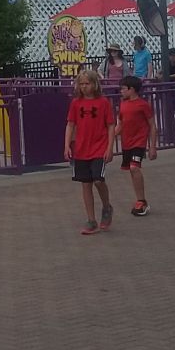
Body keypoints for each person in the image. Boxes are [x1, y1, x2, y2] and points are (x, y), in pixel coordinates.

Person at [64, 68, 114, 234]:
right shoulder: (76, 103)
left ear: (94, 84)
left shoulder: (103, 102)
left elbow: (110, 125)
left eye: (87, 83)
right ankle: (91, 220)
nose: (84, 87)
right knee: (86, 184)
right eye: (81, 84)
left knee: (98, 180)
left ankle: (106, 207)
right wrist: (66, 146)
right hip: (81, 149)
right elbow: (70, 124)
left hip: (99, 147)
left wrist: (109, 147)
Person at [113, 75, 157, 216]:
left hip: (139, 143)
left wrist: (152, 147)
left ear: (132, 89)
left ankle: (142, 201)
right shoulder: (123, 104)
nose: (121, 91)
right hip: (127, 143)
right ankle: (140, 199)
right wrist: (109, 138)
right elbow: (120, 125)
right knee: (132, 171)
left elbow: (152, 125)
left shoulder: (143, 105)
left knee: (134, 168)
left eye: (123, 89)